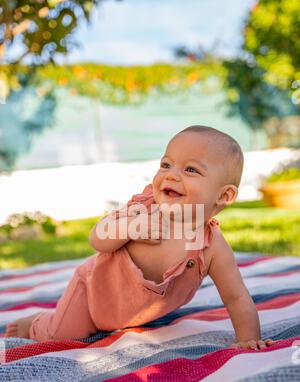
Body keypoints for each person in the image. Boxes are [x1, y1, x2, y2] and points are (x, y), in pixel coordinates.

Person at [5, 125, 275, 350]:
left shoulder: (208, 246)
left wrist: (248, 339)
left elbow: (237, 297)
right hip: (92, 294)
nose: (171, 174)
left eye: (191, 170)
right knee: (64, 336)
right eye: (166, 164)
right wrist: (130, 229)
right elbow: (97, 239)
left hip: (134, 312)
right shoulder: (144, 210)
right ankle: (36, 324)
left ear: (224, 196)